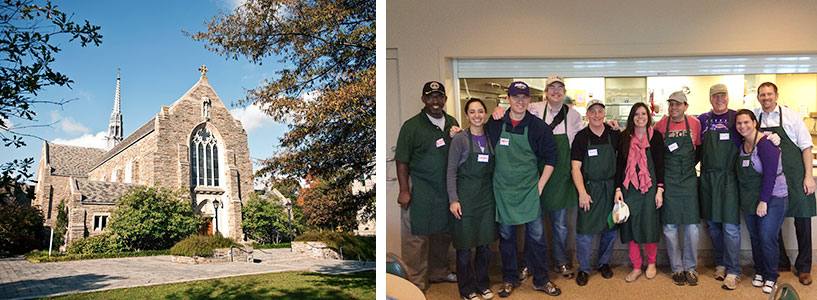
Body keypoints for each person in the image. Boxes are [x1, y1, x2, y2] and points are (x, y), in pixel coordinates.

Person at [491, 76, 582, 281]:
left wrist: (610, 127)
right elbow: (511, 113)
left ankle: (561, 261)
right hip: (531, 175)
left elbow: (582, 140)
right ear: (545, 91)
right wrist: (498, 111)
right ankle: (528, 265)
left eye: (560, 88)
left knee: (558, 224)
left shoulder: (574, 116)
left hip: (557, 176)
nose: (556, 91)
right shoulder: (533, 108)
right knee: (534, 226)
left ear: (564, 91)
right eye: (552, 87)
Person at [484, 81, 561, 297]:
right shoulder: (496, 123)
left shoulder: (538, 126)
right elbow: (476, 136)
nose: (520, 101)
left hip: (529, 191)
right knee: (507, 238)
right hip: (503, 191)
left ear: (529, 100)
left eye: (524, 97)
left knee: (537, 237)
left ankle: (541, 279)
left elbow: (551, 158)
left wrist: (540, 186)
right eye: (516, 97)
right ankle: (509, 279)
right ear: (508, 98)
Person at [395, 81, 458, 291]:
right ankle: (416, 281)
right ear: (423, 99)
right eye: (431, 97)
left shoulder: (451, 122)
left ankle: (439, 271)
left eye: (439, 97)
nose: (435, 101)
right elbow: (402, 160)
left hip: (445, 189)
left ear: (445, 99)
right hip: (420, 189)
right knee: (416, 237)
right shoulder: (411, 126)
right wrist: (404, 190)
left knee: (443, 233)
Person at [753, 82, 816, 286]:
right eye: (762, 95)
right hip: (772, 177)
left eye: (769, 94)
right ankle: (780, 261)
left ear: (776, 95)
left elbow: (806, 146)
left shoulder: (791, 117)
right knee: (773, 219)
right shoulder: (756, 116)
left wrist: (808, 176)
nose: (766, 98)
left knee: (803, 219)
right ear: (758, 97)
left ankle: (804, 267)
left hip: (795, 174)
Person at [447, 98, 499, 300]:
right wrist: (453, 199)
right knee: (465, 248)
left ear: (485, 114)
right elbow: (451, 170)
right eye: (472, 112)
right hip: (465, 198)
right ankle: (467, 289)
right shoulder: (460, 139)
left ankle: (483, 284)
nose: (477, 115)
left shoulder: (490, 136)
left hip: (486, 198)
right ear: (467, 116)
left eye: (480, 111)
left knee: (485, 246)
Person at [734, 109, 788, 294]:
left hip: (773, 197)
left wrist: (764, 201)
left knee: (767, 236)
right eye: (739, 123)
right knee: (755, 237)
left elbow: (771, 176)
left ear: (754, 123)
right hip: (750, 198)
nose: (743, 126)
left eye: (746, 122)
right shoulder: (742, 145)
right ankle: (760, 271)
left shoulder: (766, 144)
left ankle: (771, 276)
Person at [653, 91, 702, 286]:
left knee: (692, 227)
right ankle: (677, 268)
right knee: (670, 227)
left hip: (689, 180)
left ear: (686, 107)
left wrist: (687, 168)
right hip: (669, 181)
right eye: (671, 104)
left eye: (678, 104)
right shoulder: (660, 125)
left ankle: (690, 267)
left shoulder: (695, 124)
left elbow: (699, 150)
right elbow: (655, 153)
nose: (674, 108)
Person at [697, 83, 742, 290]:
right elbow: (694, 147)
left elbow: (752, 139)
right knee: (714, 226)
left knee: (730, 227)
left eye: (722, 95)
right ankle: (721, 264)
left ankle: (734, 270)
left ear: (728, 97)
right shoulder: (702, 120)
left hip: (730, 178)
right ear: (710, 98)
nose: (719, 99)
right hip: (707, 179)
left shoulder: (737, 118)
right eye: (715, 96)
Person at [569, 99, 619, 286]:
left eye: (600, 111)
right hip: (589, 189)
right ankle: (583, 268)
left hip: (610, 189)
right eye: (593, 111)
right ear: (587, 114)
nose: (597, 115)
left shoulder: (614, 135)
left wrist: (618, 189)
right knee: (585, 232)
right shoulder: (581, 137)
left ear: (604, 113)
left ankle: (604, 263)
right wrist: (582, 192)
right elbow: (575, 168)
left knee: (610, 230)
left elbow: (622, 162)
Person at [614, 102, 665, 283]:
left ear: (648, 116)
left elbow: (660, 165)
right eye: (636, 114)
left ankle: (651, 264)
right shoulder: (623, 138)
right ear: (631, 117)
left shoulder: (656, 137)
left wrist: (660, 189)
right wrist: (618, 188)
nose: (640, 117)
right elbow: (619, 165)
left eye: (643, 113)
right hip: (629, 189)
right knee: (631, 227)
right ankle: (636, 266)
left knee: (649, 225)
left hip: (650, 189)